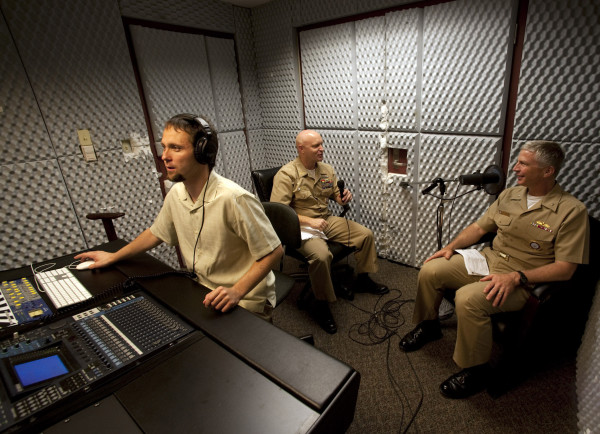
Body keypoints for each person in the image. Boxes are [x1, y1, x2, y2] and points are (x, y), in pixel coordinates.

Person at [398, 140, 589, 399]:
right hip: (489, 259)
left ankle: (476, 370)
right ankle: (429, 325)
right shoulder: (511, 195)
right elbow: (479, 228)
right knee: (431, 269)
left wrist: (518, 277)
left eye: (523, 163)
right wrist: (451, 247)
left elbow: (566, 269)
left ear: (548, 171)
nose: (515, 168)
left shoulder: (571, 211)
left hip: (522, 279)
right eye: (517, 161)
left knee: (468, 299)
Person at [75, 114, 283, 321]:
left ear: (202, 152)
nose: (164, 156)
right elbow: (156, 233)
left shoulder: (234, 198)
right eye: (164, 147)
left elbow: (273, 252)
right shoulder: (176, 193)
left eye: (175, 148)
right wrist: (113, 257)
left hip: (243, 298)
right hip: (203, 289)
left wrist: (237, 291)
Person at [270, 129, 389, 334]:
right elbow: (279, 212)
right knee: (321, 256)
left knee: (365, 235)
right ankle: (321, 304)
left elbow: (334, 194)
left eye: (321, 144)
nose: (322, 149)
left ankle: (363, 279)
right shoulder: (287, 175)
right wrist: (309, 221)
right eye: (316, 145)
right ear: (301, 149)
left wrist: (342, 197)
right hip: (301, 227)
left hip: (325, 219)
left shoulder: (326, 170)